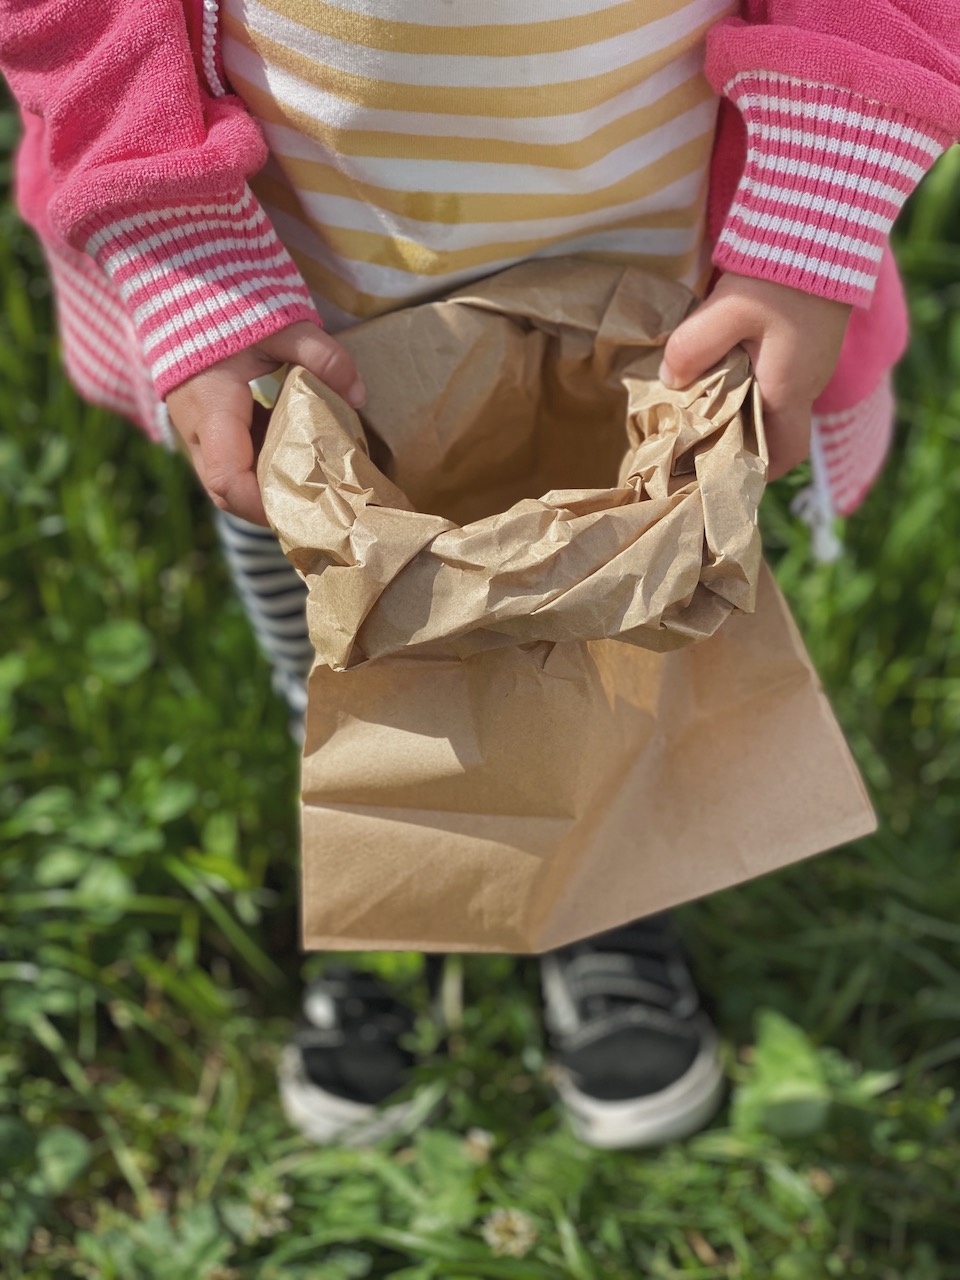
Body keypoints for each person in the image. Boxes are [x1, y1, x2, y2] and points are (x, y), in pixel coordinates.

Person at [3, 0, 959, 1150]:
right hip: (296, 286)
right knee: (344, 641)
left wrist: (819, 199)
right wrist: (170, 223)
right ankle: (391, 883)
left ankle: (600, 885)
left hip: (675, 288)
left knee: (635, 621)